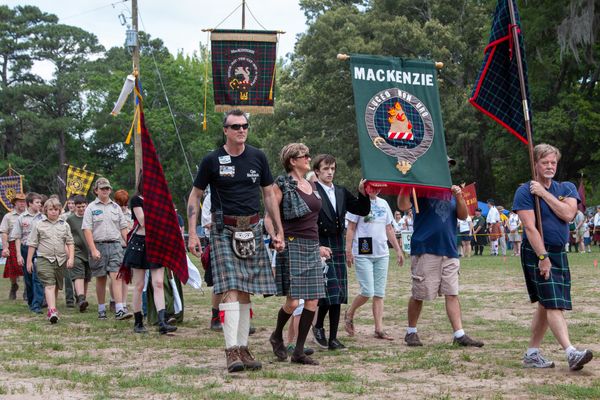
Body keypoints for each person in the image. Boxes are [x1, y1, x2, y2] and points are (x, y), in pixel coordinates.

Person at [187, 109, 284, 373]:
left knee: (244, 290)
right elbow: (194, 196)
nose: (242, 130)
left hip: (252, 229)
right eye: (236, 126)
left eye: (245, 126)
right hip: (223, 229)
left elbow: (268, 196)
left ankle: (243, 348)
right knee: (230, 286)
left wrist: (278, 230)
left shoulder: (258, 157)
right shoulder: (212, 160)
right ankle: (231, 351)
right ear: (226, 131)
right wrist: (193, 233)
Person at [513, 143, 593, 371]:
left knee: (546, 303)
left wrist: (544, 194)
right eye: (544, 162)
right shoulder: (524, 191)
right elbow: (530, 228)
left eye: (553, 163)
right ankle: (571, 353)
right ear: (535, 164)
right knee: (553, 303)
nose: (549, 167)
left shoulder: (566, 187)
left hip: (559, 250)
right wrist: (542, 256)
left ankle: (531, 353)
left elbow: (569, 214)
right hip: (538, 251)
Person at [398, 161, 484, 348]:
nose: (444, 167)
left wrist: (459, 196)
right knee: (420, 293)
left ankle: (459, 334)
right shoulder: (421, 187)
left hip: (449, 249)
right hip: (425, 247)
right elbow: (403, 205)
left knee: (452, 293)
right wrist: (407, 184)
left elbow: (462, 216)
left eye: (447, 165)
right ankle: (411, 332)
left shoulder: (451, 189)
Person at [266, 143, 329, 365]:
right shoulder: (281, 185)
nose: (308, 158)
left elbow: (313, 219)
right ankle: (276, 335)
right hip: (292, 244)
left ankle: (299, 351)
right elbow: (269, 216)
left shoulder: (312, 185)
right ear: (293, 161)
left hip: (311, 245)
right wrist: (276, 236)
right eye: (305, 156)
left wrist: (319, 245)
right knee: (293, 302)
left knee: (313, 299)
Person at [311, 154, 370, 351]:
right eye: (326, 169)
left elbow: (361, 209)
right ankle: (318, 325)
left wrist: (363, 192)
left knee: (338, 294)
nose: (329, 172)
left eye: (332, 169)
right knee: (329, 292)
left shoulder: (341, 192)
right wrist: (315, 245)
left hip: (336, 242)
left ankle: (333, 338)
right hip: (320, 243)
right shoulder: (311, 191)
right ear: (317, 171)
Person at [344, 186, 403, 340]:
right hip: (363, 252)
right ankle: (350, 312)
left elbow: (389, 228)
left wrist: (397, 249)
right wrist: (348, 250)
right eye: (372, 187)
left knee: (379, 293)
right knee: (367, 291)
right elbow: (351, 228)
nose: (375, 190)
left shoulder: (383, 204)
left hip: (382, 253)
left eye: (378, 187)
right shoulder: (357, 203)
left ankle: (379, 329)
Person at [123, 183, 177, 334]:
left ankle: (162, 322)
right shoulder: (136, 200)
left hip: (157, 243)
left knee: (158, 283)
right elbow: (144, 222)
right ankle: (138, 322)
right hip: (140, 244)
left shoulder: (160, 199)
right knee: (139, 285)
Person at [82, 177, 132, 320]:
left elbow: (123, 227)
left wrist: (129, 243)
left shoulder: (116, 207)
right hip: (99, 245)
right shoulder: (91, 208)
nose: (105, 191)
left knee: (116, 276)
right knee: (101, 278)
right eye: (102, 188)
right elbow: (87, 230)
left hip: (115, 245)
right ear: (96, 190)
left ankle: (119, 309)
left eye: (107, 188)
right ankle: (101, 308)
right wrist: (93, 249)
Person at [26, 198, 74, 323]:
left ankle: (52, 309)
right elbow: (32, 244)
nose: (53, 212)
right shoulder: (39, 225)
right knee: (49, 284)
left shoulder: (64, 225)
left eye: (56, 209)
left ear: (60, 211)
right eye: (51, 209)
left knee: (56, 285)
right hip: (44, 259)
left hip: (61, 259)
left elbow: (70, 242)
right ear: (45, 210)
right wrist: (29, 261)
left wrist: (71, 258)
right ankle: (52, 310)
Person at [11, 192, 45, 313]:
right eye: (37, 202)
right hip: (25, 249)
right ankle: (31, 302)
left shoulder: (43, 218)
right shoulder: (22, 218)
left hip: (39, 249)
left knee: (38, 278)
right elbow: (17, 237)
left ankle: (37, 304)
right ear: (29, 203)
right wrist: (19, 255)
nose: (39, 205)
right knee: (28, 278)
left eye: (40, 203)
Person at [66, 195, 91, 312]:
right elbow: (66, 237)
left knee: (86, 276)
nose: (81, 209)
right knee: (78, 275)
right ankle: (80, 297)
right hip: (76, 251)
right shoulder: (70, 219)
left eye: (83, 206)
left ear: (86, 205)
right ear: (74, 206)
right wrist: (68, 253)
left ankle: (82, 300)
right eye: (79, 207)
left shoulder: (90, 217)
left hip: (89, 251)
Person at [1, 193, 27, 300]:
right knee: (12, 269)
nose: (22, 203)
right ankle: (14, 285)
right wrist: (5, 248)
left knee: (27, 267)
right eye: (20, 201)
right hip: (12, 244)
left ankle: (27, 289)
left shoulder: (30, 215)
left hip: (26, 243)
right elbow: (4, 232)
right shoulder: (8, 216)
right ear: (15, 203)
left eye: (24, 201)